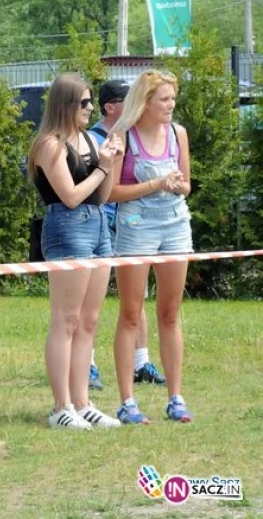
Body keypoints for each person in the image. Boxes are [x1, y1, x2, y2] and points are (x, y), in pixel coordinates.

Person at [27, 73, 122, 430]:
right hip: (67, 227)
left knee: (89, 320)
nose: (90, 108)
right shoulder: (49, 145)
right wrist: (102, 167)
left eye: (91, 101)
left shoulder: (88, 139)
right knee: (65, 319)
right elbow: (69, 196)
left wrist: (111, 162)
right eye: (84, 102)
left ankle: (83, 403)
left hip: (97, 225)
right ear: (65, 104)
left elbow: (102, 195)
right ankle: (61, 406)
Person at [109, 70, 193, 425]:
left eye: (173, 99)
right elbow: (110, 192)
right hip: (136, 226)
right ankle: (127, 402)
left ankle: (176, 398)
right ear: (145, 102)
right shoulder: (123, 136)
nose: (171, 105)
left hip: (175, 224)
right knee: (131, 314)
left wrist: (176, 185)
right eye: (164, 99)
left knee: (170, 314)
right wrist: (156, 183)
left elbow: (187, 185)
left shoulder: (178, 134)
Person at [86, 79, 166, 391]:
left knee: (135, 298)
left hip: (130, 224)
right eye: (128, 98)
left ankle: (141, 363)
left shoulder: (134, 136)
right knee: (89, 300)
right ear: (111, 107)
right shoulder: (92, 139)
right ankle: (87, 365)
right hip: (99, 224)